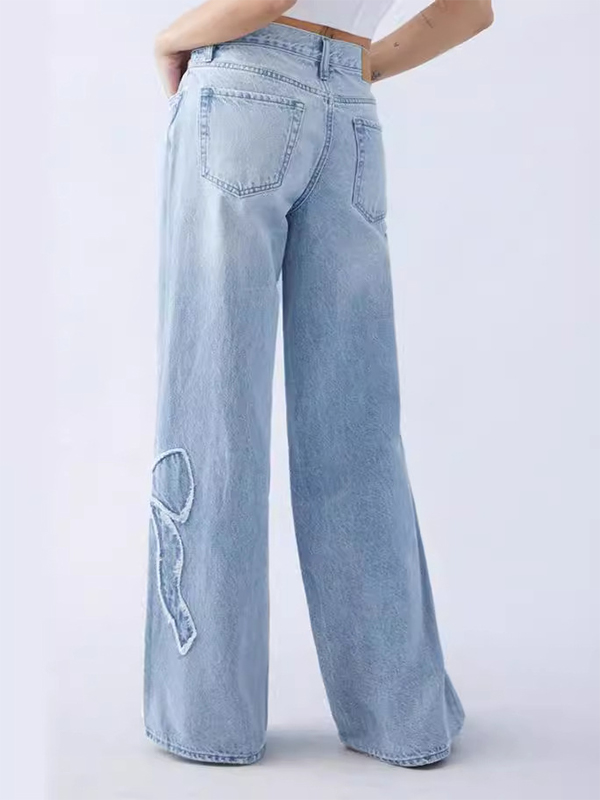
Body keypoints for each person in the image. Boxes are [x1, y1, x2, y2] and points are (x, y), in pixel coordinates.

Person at [144, 0, 494, 767]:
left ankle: (209, 721)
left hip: (243, 88)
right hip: (350, 114)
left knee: (213, 415)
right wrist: (354, 65)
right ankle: (400, 718)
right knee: (357, 431)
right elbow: (471, 11)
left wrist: (171, 38)